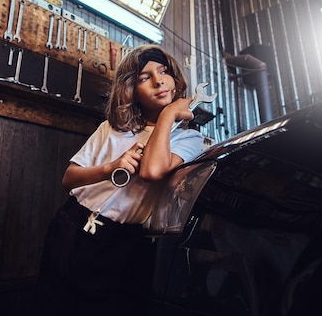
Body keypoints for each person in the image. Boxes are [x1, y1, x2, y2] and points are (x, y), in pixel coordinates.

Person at [32, 44, 205, 315]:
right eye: (144, 77)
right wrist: (111, 167)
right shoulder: (111, 128)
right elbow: (69, 179)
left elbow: (151, 172)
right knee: (49, 305)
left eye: (164, 72)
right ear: (131, 89)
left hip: (121, 243)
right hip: (71, 224)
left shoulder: (189, 139)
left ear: (175, 78)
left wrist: (169, 114)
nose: (159, 80)